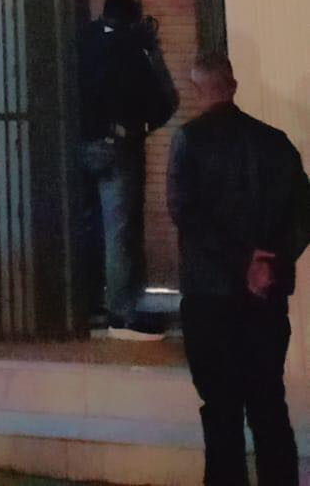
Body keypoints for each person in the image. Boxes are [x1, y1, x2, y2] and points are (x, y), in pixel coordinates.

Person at [168, 53, 310, 486]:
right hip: (265, 298)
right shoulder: (276, 142)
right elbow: (303, 214)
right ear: (233, 85)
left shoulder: (189, 141)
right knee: (269, 405)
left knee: (221, 411)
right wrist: (269, 262)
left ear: (196, 89)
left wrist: (239, 260)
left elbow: (185, 213)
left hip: (209, 297)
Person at [78, 0, 178, 337]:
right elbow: (166, 99)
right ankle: (121, 311)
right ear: (134, 18)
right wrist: (142, 127)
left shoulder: (82, 41)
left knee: (84, 224)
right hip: (121, 145)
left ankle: (86, 303)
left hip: (79, 145)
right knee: (120, 231)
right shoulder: (134, 48)